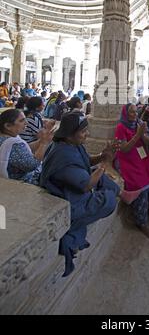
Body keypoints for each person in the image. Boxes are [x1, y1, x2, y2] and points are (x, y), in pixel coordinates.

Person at [40, 111, 120, 277]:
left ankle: (123, 193)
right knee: (108, 201)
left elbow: (86, 161)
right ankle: (74, 227)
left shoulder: (71, 145)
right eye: (83, 132)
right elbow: (86, 185)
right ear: (69, 135)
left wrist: (101, 157)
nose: (87, 134)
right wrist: (105, 163)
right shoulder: (63, 154)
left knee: (106, 181)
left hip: (76, 183)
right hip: (66, 195)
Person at [114, 103, 149, 239]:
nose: (135, 115)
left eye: (136, 112)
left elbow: (147, 142)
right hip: (127, 159)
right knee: (140, 186)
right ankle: (142, 221)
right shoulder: (121, 127)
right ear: (125, 113)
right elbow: (124, 149)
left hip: (141, 156)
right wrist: (137, 135)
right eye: (131, 112)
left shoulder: (138, 123)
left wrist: (143, 133)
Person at [0, 108, 52, 184]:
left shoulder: (6, 137)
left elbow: (27, 147)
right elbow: (32, 165)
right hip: (21, 181)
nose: (26, 123)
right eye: (21, 120)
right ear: (8, 126)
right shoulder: (14, 144)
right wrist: (44, 144)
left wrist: (41, 140)